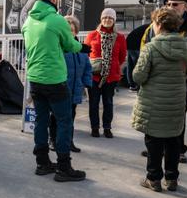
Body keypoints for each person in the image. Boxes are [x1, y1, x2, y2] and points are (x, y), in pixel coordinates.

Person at [22, 0, 89, 182]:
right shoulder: (57, 20)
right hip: (54, 80)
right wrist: (83, 47)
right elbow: (70, 44)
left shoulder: (28, 22)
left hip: (34, 78)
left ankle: (42, 163)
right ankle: (63, 167)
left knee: (41, 119)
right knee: (64, 121)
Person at [142, 0, 187, 163]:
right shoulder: (156, 25)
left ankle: (178, 149)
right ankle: (155, 149)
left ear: (186, 7)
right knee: (155, 116)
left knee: (178, 118)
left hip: (180, 83)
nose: (171, 7)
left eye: (176, 4)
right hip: (157, 83)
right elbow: (145, 46)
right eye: (169, 4)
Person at [133, 7, 187, 192]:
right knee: (174, 141)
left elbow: (138, 76)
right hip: (176, 101)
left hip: (153, 103)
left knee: (153, 142)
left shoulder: (151, 47)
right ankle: (172, 179)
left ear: (158, 25)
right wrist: (181, 89)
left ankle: (153, 179)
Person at [48, 15, 92, 152]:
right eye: (67, 30)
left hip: (75, 90)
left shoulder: (81, 49)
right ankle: (53, 140)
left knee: (71, 118)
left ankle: (68, 141)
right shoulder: (59, 48)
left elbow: (87, 68)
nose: (70, 33)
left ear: (76, 32)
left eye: (72, 30)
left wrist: (86, 83)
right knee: (56, 116)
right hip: (61, 89)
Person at [84, 8, 127, 138]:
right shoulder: (92, 35)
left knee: (108, 103)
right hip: (94, 76)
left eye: (110, 18)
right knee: (94, 103)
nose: (107, 20)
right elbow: (86, 53)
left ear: (114, 20)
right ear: (101, 19)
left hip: (111, 76)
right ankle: (95, 127)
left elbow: (122, 57)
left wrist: (109, 66)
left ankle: (107, 127)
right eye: (105, 18)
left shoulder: (120, 37)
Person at [123, 23, 150, 92]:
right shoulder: (152, 27)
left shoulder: (148, 26)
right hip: (135, 45)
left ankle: (131, 85)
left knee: (130, 65)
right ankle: (137, 85)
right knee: (137, 65)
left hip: (129, 42)